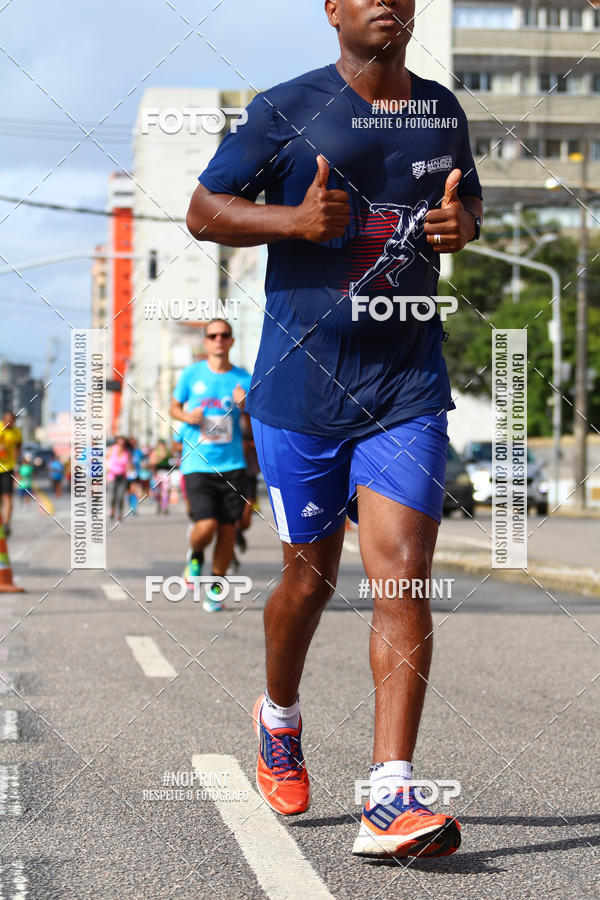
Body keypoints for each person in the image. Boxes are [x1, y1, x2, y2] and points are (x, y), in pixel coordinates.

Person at [186, 0, 483, 859]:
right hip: (301, 391)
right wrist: (290, 222)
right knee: (308, 581)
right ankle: (279, 717)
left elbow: (467, 206)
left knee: (403, 573)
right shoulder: (286, 107)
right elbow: (203, 211)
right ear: (333, 10)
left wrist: (462, 228)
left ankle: (390, 794)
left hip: (406, 386)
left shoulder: (441, 109)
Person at [169, 320, 252, 612]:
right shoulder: (192, 374)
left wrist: (247, 405)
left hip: (233, 465)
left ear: (231, 341)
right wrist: (187, 417)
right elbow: (173, 407)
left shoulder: (243, 378)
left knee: (228, 531)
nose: (219, 339)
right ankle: (195, 555)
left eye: (224, 335)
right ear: (205, 342)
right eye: (213, 335)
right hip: (197, 464)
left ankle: (216, 589)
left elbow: (256, 421)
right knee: (206, 526)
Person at [0, 411, 22, 536]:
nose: (9, 423)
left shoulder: (16, 432)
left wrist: (16, 453)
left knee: (7, 496)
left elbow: (18, 446)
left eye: (12, 421)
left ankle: (6, 525)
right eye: (7, 421)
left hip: (7, 468)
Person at [107, 436, 131, 522]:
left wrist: (129, 470)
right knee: (113, 496)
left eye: (123, 444)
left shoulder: (126, 452)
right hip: (112, 476)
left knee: (120, 496)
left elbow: (128, 464)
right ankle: (112, 510)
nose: (121, 445)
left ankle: (119, 515)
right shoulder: (111, 450)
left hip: (122, 476)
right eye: (119, 443)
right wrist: (108, 469)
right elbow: (106, 461)